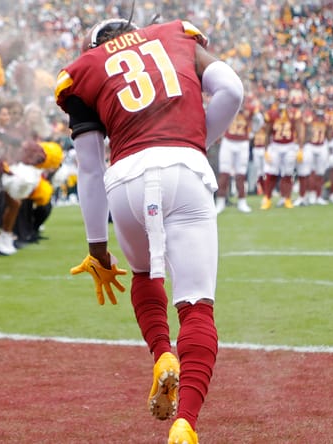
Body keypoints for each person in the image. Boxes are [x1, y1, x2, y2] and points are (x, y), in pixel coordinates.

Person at [55, 16, 243, 444]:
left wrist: (97, 249)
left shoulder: (84, 70)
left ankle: (162, 355)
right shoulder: (175, 36)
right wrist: (198, 141)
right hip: (184, 168)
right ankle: (185, 425)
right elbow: (232, 88)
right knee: (196, 303)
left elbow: (88, 166)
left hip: (126, 178)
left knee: (143, 273)